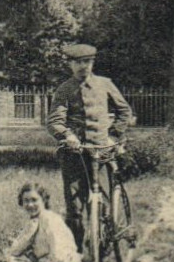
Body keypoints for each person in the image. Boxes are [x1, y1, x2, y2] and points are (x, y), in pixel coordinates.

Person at [45, 43, 135, 251]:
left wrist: (113, 135)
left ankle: (104, 241)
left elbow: (124, 111)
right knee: (75, 207)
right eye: (78, 62)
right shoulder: (65, 89)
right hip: (74, 154)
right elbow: (54, 121)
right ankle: (76, 253)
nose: (83, 66)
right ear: (70, 65)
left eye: (87, 62)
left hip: (102, 152)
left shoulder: (105, 84)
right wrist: (67, 135)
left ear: (93, 62)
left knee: (102, 200)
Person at [6, 183, 82, 262]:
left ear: (43, 200)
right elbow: (20, 247)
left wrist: (37, 261)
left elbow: (59, 256)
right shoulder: (35, 220)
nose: (30, 205)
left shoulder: (50, 220)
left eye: (34, 200)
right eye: (26, 201)